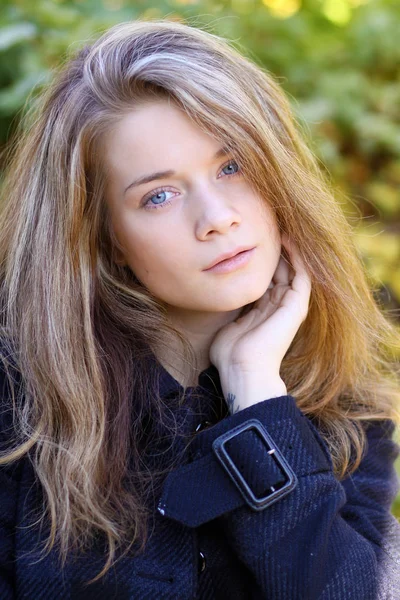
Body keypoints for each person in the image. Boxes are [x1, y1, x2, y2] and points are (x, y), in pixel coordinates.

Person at [0, 17, 399, 600]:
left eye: (231, 166)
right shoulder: (21, 399)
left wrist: (257, 398)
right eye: (158, 195)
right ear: (103, 235)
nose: (217, 217)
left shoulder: (345, 399)